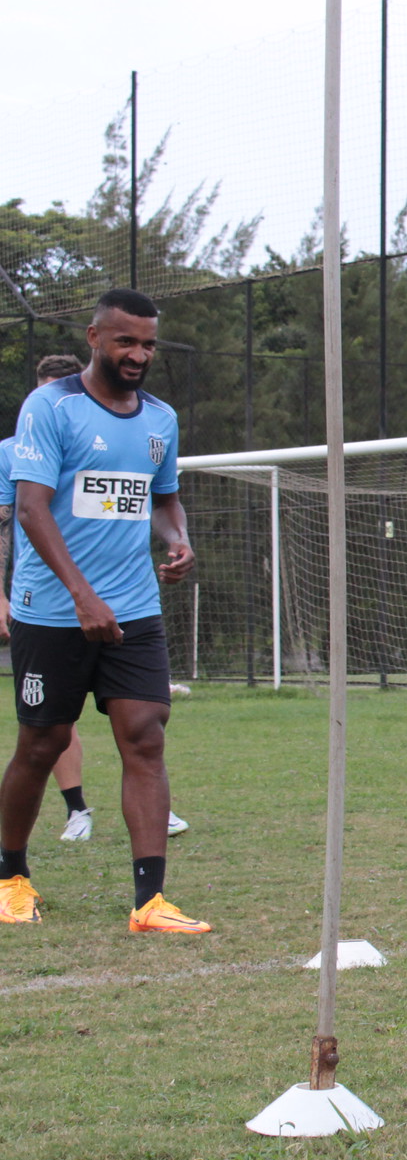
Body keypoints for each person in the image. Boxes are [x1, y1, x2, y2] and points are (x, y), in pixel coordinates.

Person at [0, 290, 206, 932]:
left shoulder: (161, 419)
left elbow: (163, 499)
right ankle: (10, 879)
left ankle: (150, 902)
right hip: (52, 611)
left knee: (145, 735)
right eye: (126, 342)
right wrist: (81, 595)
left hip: (134, 609)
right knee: (42, 744)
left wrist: (178, 539)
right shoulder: (51, 407)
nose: (139, 354)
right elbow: (31, 508)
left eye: (148, 344)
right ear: (95, 338)